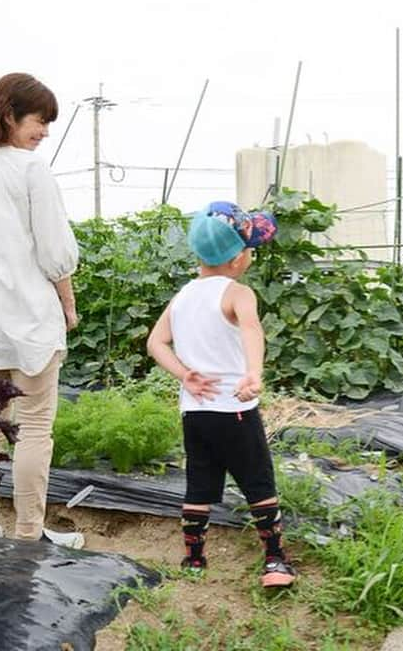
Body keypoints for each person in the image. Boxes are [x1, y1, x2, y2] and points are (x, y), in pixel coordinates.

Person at [0, 73, 85, 547]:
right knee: (32, 428)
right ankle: (29, 534)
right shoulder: (29, 169)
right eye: (39, 120)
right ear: (9, 114)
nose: (44, 131)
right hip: (28, 310)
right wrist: (67, 303)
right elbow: (53, 251)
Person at [146, 201, 296, 587]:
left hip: (195, 412)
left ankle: (194, 560)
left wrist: (185, 376)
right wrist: (253, 373)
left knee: (199, 484)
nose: (251, 254)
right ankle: (275, 561)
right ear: (236, 260)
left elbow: (155, 343)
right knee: (258, 482)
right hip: (236, 409)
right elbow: (251, 330)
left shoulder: (183, 296)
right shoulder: (237, 292)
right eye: (250, 248)